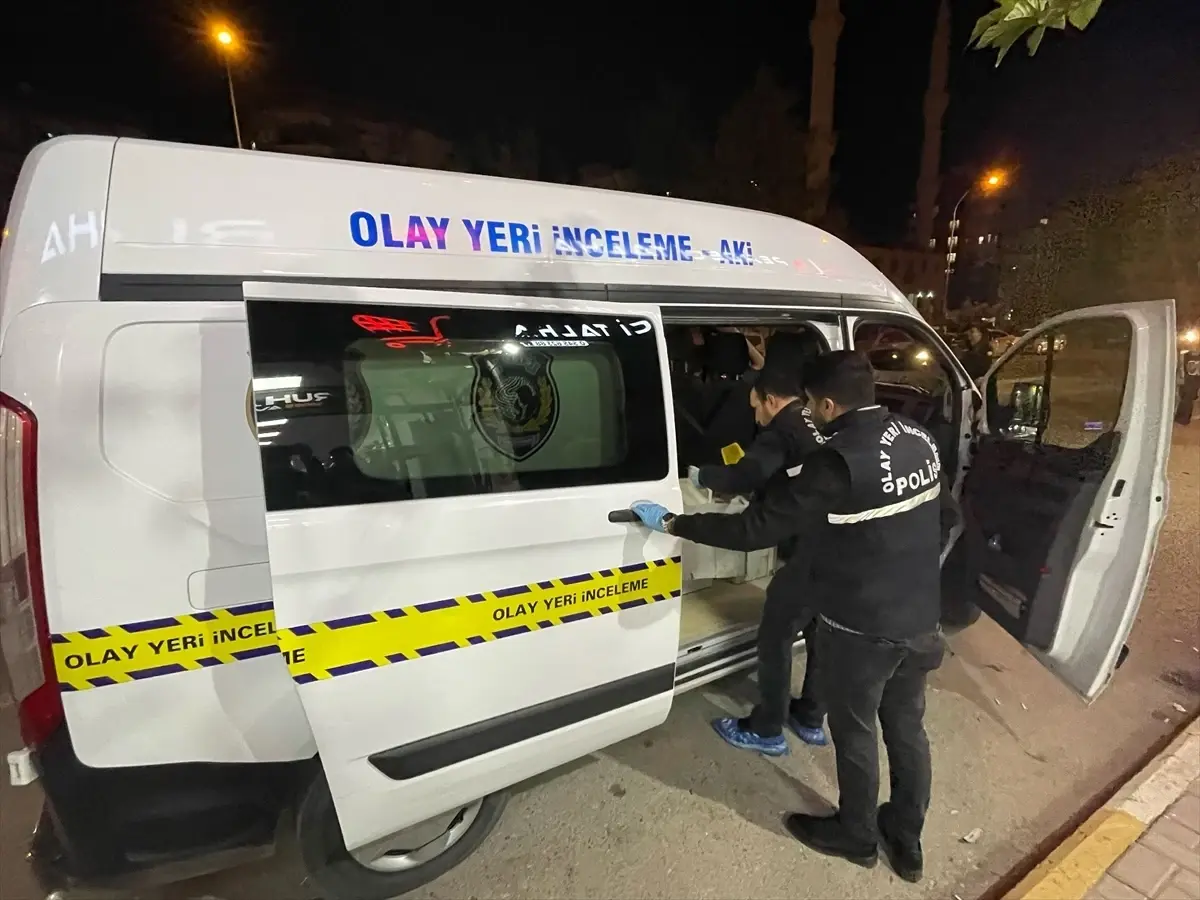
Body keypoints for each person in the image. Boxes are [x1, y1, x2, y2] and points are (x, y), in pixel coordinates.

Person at [630, 350, 953, 883]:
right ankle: (906, 837)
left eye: (811, 403)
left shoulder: (837, 461)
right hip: (921, 618)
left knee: (854, 730)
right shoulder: (917, 437)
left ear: (826, 404)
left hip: (863, 626)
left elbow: (754, 529)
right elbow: (938, 516)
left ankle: (856, 834)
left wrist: (672, 523)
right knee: (906, 728)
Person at [689, 358, 830, 753]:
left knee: (775, 637)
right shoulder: (816, 420)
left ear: (771, 400)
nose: (755, 415)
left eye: (755, 406)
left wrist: (704, 476)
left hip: (808, 554)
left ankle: (766, 729)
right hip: (838, 547)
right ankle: (810, 718)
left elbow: (746, 475)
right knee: (821, 633)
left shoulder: (781, 431)